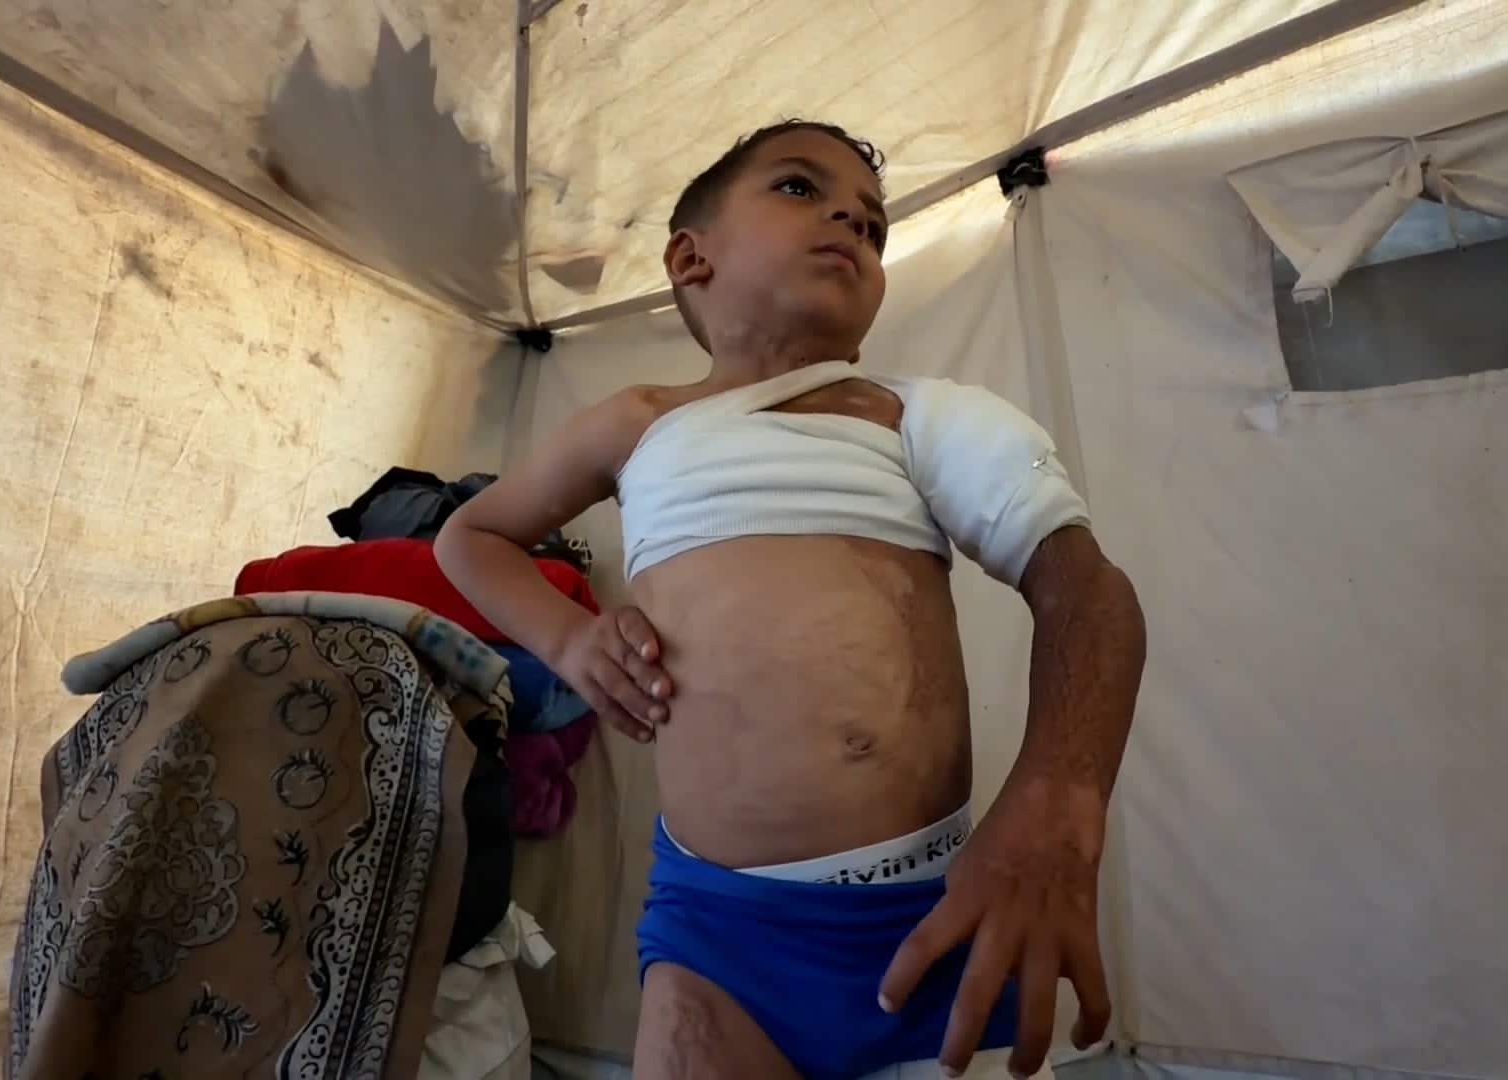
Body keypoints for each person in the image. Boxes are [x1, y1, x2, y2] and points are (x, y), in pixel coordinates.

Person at [434, 120, 1146, 1080]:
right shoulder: (639, 424)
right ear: (692, 258)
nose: (852, 218)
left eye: (875, 224)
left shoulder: (917, 417)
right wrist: (568, 640)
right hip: (720, 941)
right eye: (803, 189)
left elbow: (1088, 594)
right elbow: (470, 537)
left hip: (937, 915)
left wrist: (1058, 798)